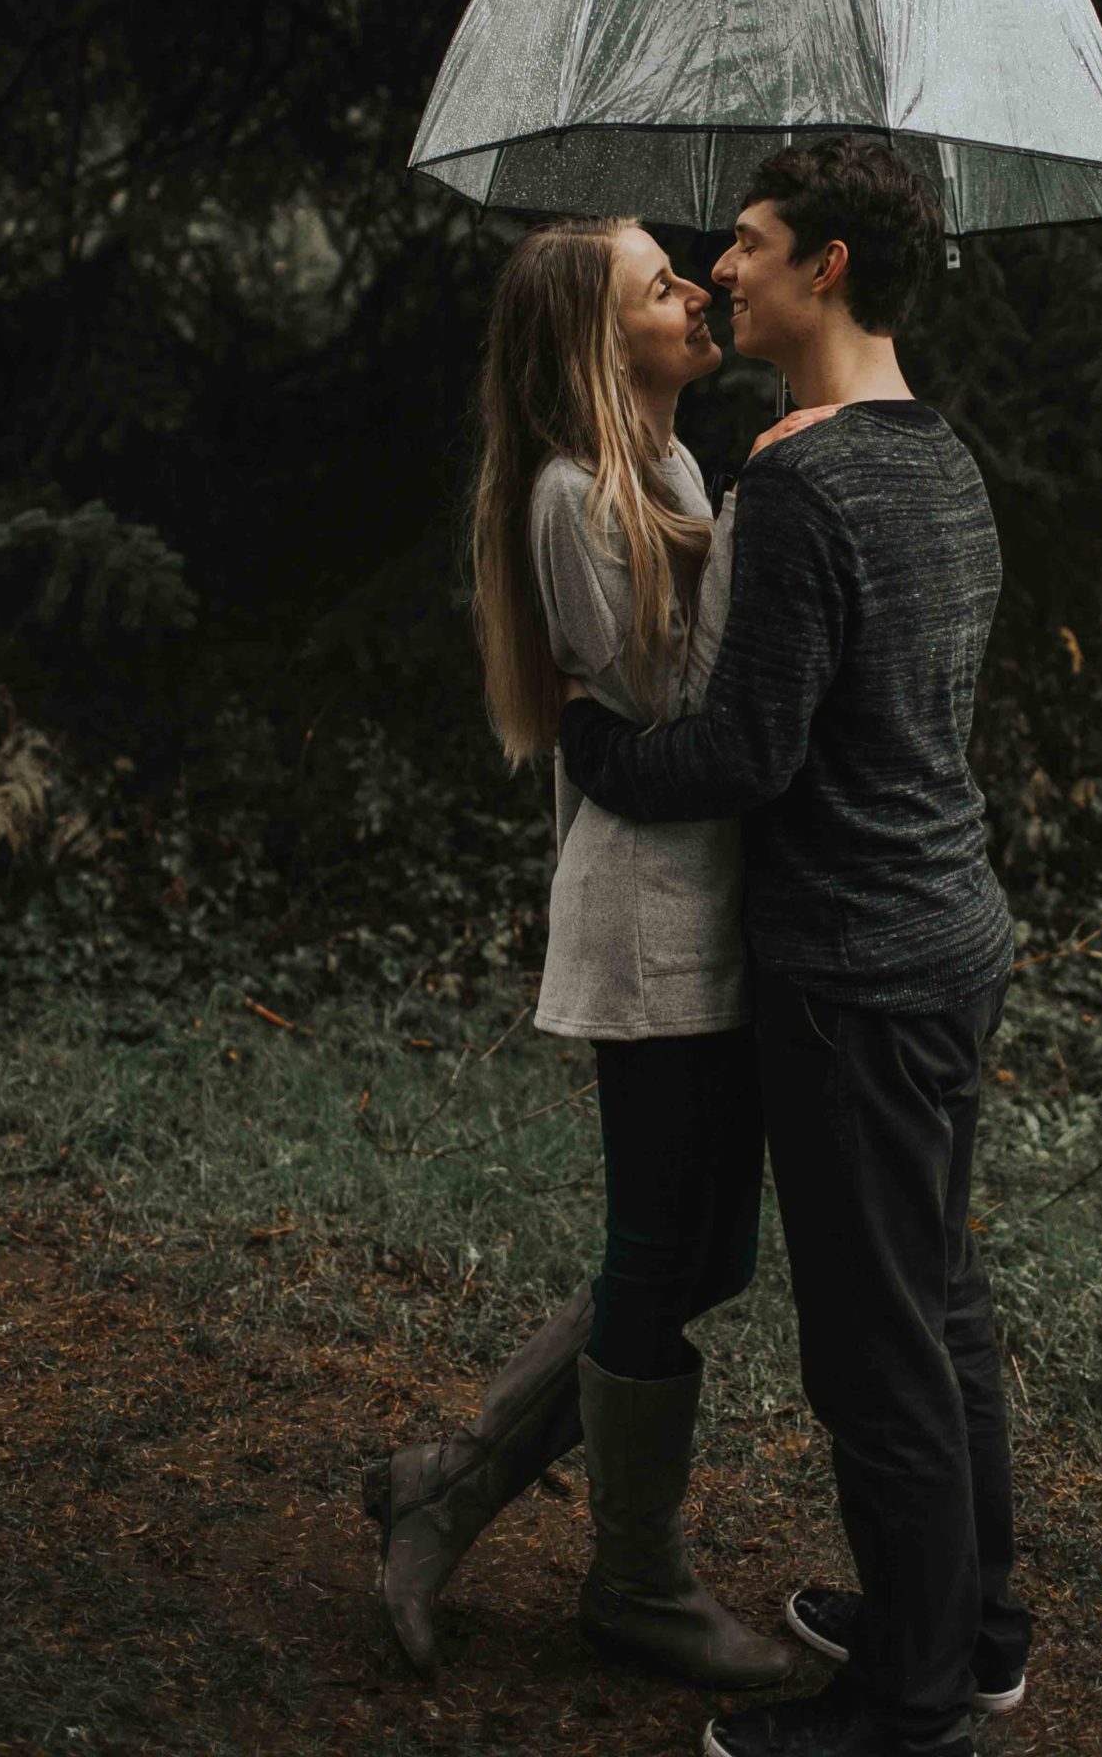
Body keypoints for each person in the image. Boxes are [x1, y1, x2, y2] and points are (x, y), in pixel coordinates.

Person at [558, 137, 1032, 1757]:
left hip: (855, 967)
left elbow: (751, 754)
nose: (725, 267)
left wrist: (601, 755)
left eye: (753, 243)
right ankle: (973, 1626)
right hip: (951, 930)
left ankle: (905, 1704)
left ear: (828, 266)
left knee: (874, 1341)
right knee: (940, 1297)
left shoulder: (805, 479)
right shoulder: (938, 454)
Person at [362, 214, 800, 1691]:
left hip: (716, 901)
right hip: (647, 911)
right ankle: (637, 1582)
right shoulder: (570, 494)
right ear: (590, 339)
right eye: (657, 285)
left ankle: (456, 1479)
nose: (693, 292)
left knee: (701, 1255)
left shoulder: (675, 466)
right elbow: (653, 725)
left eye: (685, 274)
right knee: (655, 1249)